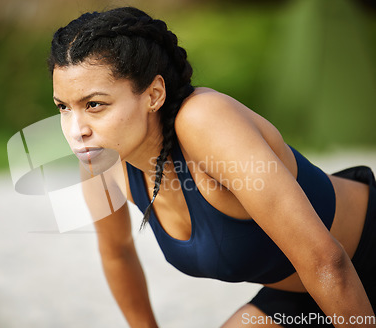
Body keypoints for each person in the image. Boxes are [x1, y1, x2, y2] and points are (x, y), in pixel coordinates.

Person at [47, 6, 376, 328]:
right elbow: (117, 254)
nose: (77, 130)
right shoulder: (100, 161)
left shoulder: (204, 121)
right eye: (63, 107)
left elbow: (326, 261)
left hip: (349, 265)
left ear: (154, 94)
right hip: (304, 297)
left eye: (94, 105)